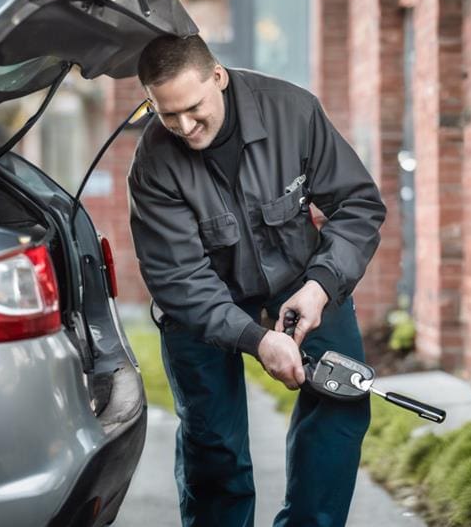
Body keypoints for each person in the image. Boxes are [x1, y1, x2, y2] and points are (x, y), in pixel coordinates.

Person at [128, 34, 386, 527]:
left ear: (218, 77)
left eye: (193, 108)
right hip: (202, 307)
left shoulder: (293, 112)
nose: (184, 126)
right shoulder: (154, 162)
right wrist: (257, 339)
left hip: (301, 279)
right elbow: (178, 278)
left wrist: (320, 286)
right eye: (167, 114)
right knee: (215, 443)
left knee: (340, 407)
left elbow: (357, 205)